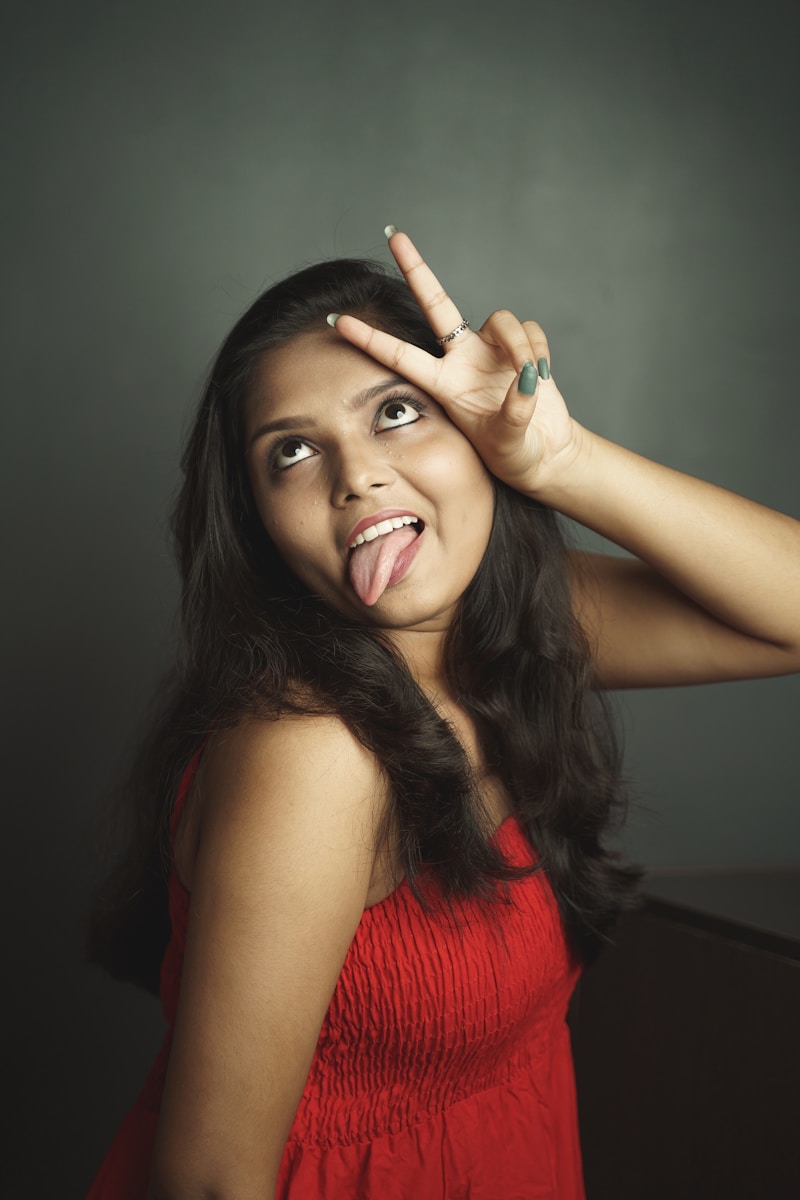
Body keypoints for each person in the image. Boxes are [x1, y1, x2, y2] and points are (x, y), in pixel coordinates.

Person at [86, 227, 800, 1199]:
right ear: (257, 524)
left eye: (395, 411)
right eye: (292, 451)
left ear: (472, 429)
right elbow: (211, 1180)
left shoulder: (514, 627)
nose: (356, 477)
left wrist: (561, 459)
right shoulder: (314, 755)